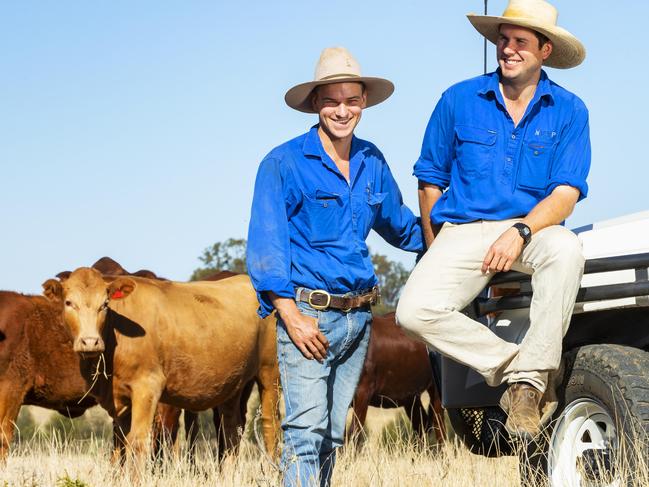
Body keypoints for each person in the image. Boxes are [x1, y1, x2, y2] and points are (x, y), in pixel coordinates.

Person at [396, 0, 591, 438]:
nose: (508, 49)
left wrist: (521, 231)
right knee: (412, 311)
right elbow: (429, 180)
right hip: (463, 231)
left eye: (520, 41)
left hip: (532, 227)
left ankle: (531, 381)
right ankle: (517, 372)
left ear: (544, 50)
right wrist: (434, 245)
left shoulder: (570, 110)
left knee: (566, 248)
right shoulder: (458, 99)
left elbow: (565, 194)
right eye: (503, 40)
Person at [247, 47, 422, 486]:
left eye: (351, 100)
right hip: (311, 317)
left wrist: (460, 232)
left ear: (364, 102)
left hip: (359, 319)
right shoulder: (283, 163)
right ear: (314, 103)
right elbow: (266, 250)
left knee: (330, 437)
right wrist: (292, 317)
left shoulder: (372, 161)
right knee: (305, 435)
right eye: (331, 100)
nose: (342, 110)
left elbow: (401, 227)